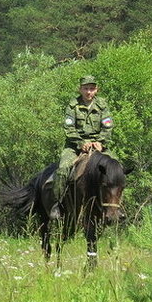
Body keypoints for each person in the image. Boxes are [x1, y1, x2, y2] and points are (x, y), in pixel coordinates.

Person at [51, 75, 114, 219]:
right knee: (62, 170)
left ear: (96, 90)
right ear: (80, 89)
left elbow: (108, 127)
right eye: (86, 88)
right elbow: (69, 129)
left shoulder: (102, 105)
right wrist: (81, 143)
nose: (89, 92)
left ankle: (116, 206)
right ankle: (58, 205)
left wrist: (101, 142)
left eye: (92, 89)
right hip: (75, 146)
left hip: (98, 146)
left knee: (116, 169)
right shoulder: (73, 106)